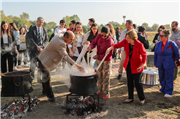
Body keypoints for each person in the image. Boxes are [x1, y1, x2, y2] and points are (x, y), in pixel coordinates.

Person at [38, 31, 85, 102]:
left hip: (42, 57)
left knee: (45, 76)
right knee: (47, 78)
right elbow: (66, 57)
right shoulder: (61, 43)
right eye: (71, 39)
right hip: (45, 61)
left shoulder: (59, 35)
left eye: (73, 39)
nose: (71, 42)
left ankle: (44, 91)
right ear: (65, 37)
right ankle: (50, 97)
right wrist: (77, 65)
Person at [106, 30, 146, 105]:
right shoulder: (125, 41)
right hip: (129, 65)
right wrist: (110, 48)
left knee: (137, 83)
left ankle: (142, 98)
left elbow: (144, 55)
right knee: (129, 82)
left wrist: (142, 65)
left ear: (133, 38)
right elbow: (117, 45)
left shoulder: (139, 45)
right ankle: (130, 98)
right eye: (126, 38)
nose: (126, 39)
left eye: (128, 38)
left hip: (138, 66)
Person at [87, 26, 114, 99]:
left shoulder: (110, 41)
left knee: (106, 76)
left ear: (108, 34)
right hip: (99, 59)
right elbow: (93, 43)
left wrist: (98, 56)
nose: (103, 37)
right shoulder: (99, 36)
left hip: (107, 60)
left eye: (105, 35)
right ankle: (101, 89)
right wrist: (90, 47)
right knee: (99, 74)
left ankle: (107, 92)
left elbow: (110, 54)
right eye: (102, 35)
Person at [154, 29, 179, 97]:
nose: (160, 37)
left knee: (169, 77)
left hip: (169, 63)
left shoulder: (171, 43)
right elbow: (155, 54)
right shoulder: (158, 44)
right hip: (160, 62)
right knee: (161, 76)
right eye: (159, 35)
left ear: (166, 36)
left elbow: (176, 52)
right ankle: (163, 88)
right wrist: (155, 63)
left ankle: (169, 91)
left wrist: (176, 60)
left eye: (161, 36)